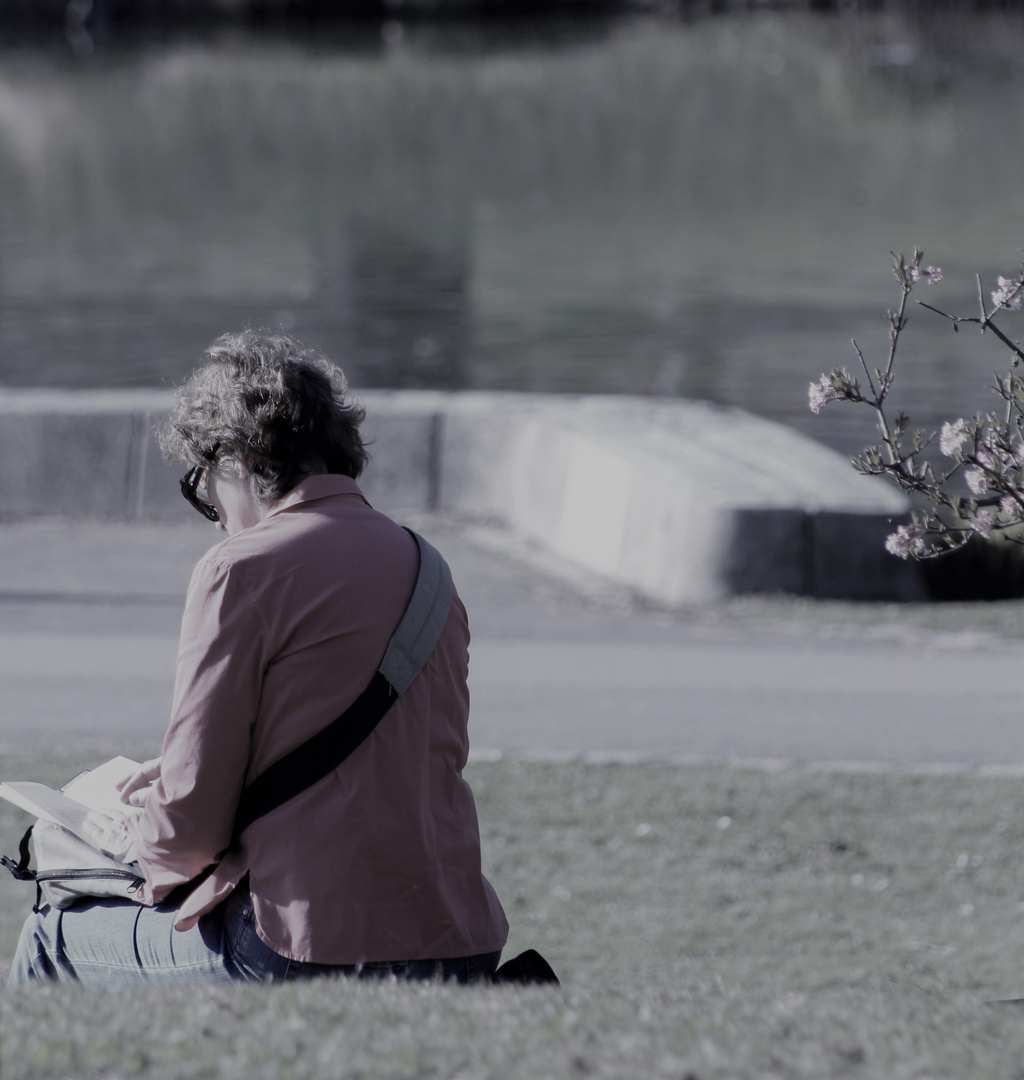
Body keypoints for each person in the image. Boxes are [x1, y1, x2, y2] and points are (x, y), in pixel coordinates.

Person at [9, 330, 508, 986]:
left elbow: (185, 837)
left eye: (202, 487)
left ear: (236, 459)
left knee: (50, 941)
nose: (215, 516)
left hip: (307, 943)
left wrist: (127, 839)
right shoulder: (431, 573)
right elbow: (396, 766)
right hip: (456, 941)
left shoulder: (240, 570)